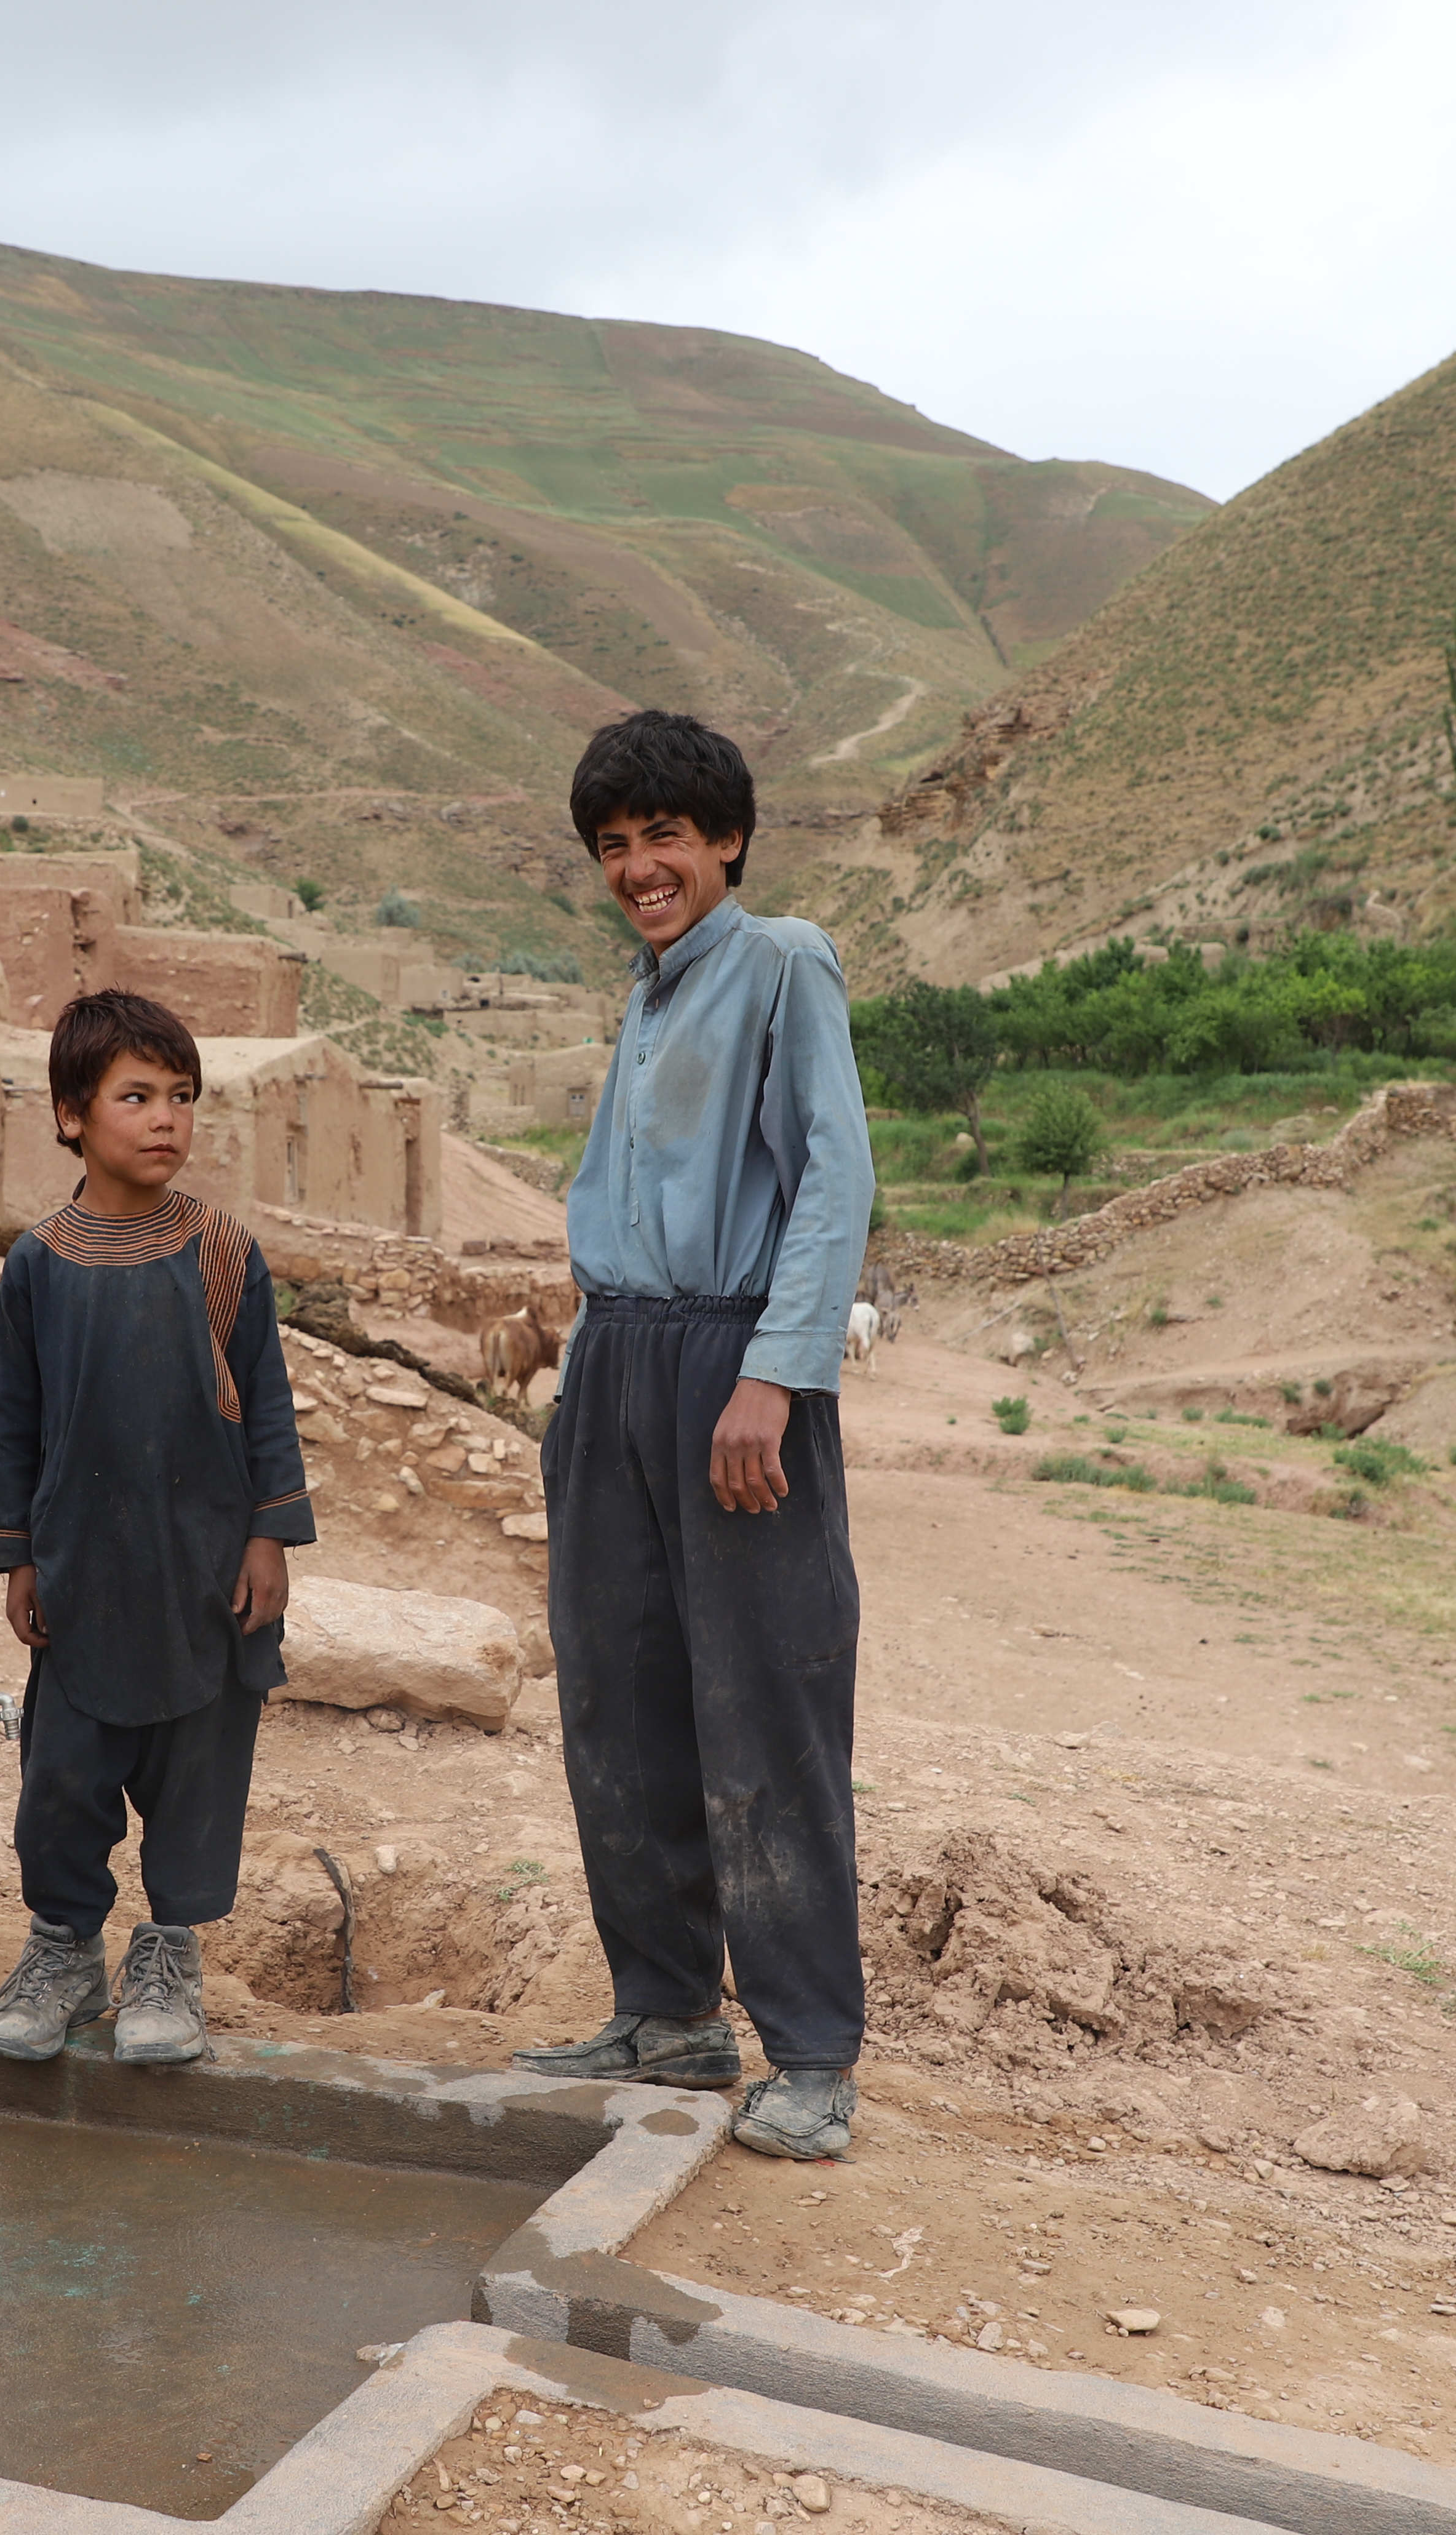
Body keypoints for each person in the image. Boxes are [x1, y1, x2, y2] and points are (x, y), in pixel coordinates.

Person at [511, 710, 875, 2162]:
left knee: (762, 1702)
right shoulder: (653, 988)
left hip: (731, 1358)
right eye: (612, 847)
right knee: (620, 1693)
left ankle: (812, 2051)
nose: (638, 867)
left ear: (724, 838)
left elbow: (833, 1178)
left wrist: (773, 1375)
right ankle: (666, 2010)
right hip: (616, 1361)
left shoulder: (782, 961)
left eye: (664, 836)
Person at [0, 989, 316, 2069]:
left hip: (204, 1576)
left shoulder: (221, 1250)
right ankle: (66, 1952)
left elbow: (265, 1400)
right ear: (72, 1114)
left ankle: (167, 1958)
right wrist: (16, 1552)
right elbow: (13, 1421)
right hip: (83, 1575)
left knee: (197, 1777)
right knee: (62, 1780)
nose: (166, 1117)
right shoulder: (38, 1263)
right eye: (136, 1097)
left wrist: (270, 1538)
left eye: (181, 1097)